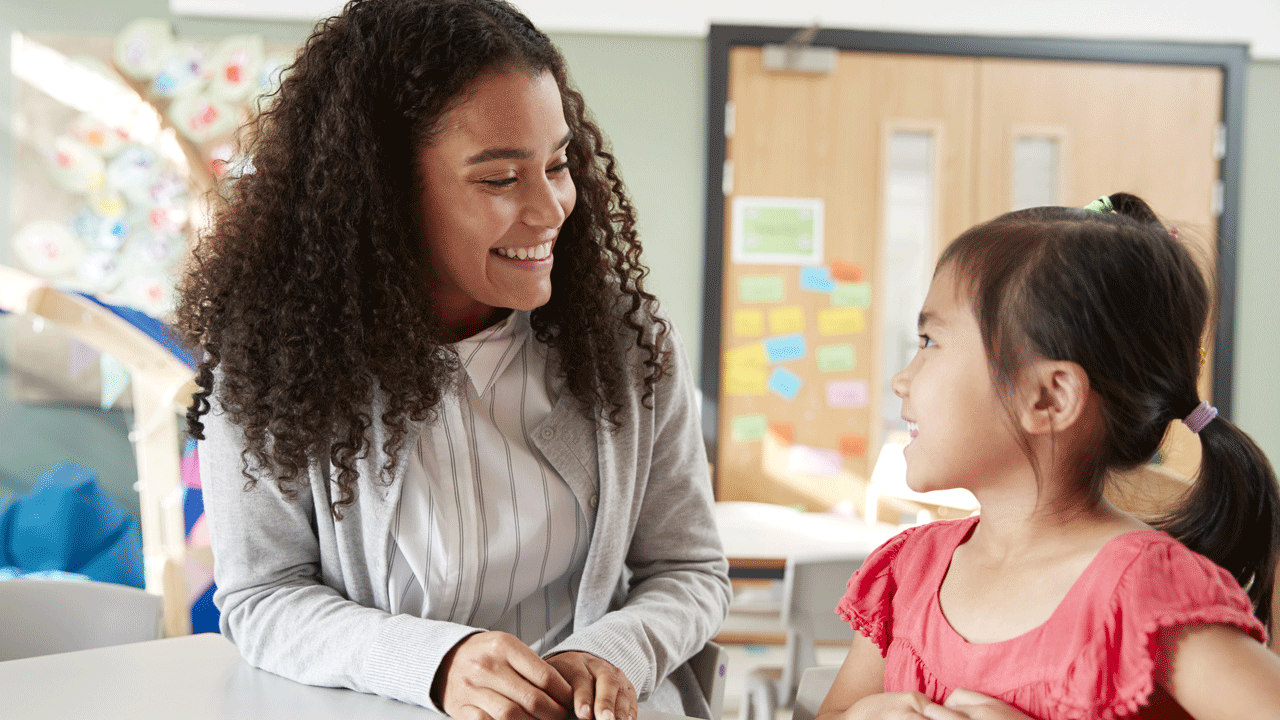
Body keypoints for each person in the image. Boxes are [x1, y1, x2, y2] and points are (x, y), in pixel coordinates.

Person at [173, 2, 731, 719]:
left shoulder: (626, 343)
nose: (551, 208)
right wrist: (434, 664)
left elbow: (689, 570)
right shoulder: (277, 361)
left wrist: (612, 651)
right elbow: (261, 596)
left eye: (558, 164)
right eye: (500, 179)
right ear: (382, 195)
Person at [816, 193, 1280, 720]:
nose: (901, 379)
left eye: (929, 341)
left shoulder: (1147, 595)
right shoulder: (909, 572)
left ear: (1050, 397)